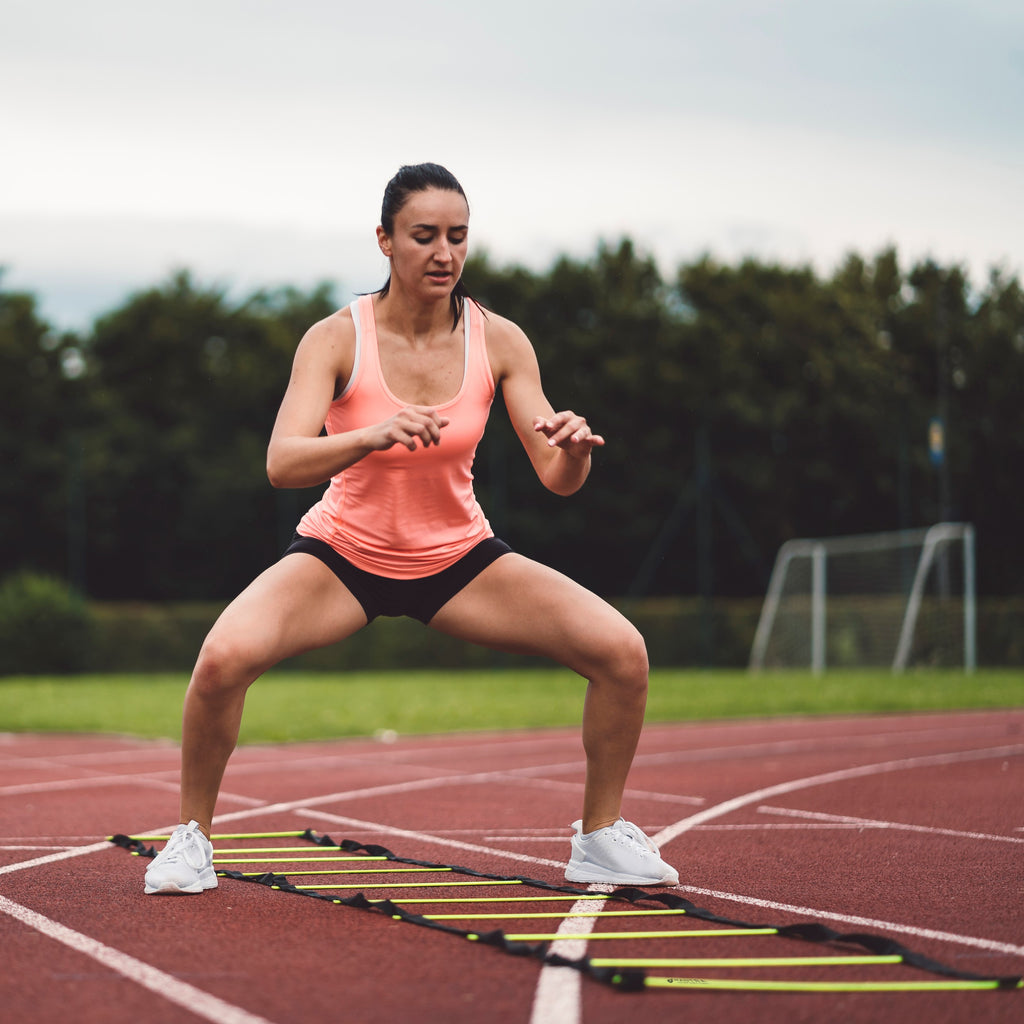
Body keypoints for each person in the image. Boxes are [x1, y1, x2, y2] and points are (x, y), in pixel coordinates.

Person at [144, 163, 678, 895]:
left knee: (622, 653)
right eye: (423, 235)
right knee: (220, 661)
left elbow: (554, 478)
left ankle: (598, 840)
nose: (444, 253)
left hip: (459, 559)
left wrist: (576, 454)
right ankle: (191, 840)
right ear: (385, 241)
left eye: (457, 236)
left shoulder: (500, 341)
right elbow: (282, 462)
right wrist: (371, 435)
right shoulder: (335, 339)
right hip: (342, 555)